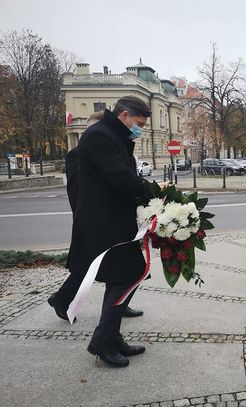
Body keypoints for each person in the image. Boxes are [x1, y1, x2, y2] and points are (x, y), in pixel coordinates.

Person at [69, 96, 155, 368]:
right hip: (103, 223)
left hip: (116, 220)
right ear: (125, 115)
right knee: (125, 277)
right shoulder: (99, 136)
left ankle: (112, 337)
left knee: (125, 276)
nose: (139, 129)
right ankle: (102, 341)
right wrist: (153, 192)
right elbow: (119, 177)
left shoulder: (115, 136)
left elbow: (125, 175)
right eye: (139, 123)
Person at [48, 111, 144, 321]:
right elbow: (77, 189)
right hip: (94, 220)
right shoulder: (79, 153)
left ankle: (119, 305)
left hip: (113, 218)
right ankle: (61, 299)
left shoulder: (115, 148)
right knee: (88, 268)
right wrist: (86, 217)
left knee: (118, 268)